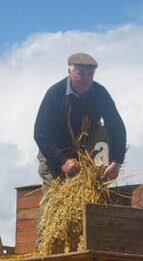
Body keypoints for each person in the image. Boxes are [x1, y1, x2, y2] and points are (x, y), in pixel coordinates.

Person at [33, 53, 127, 229]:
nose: (86, 79)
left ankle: (98, 178)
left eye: (90, 74)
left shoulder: (100, 93)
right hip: (55, 152)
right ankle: (44, 247)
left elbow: (117, 127)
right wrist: (62, 162)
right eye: (81, 74)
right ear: (69, 72)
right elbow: (40, 134)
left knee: (104, 134)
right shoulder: (55, 93)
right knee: (54, 198)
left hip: (86, 149)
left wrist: (116, 162)